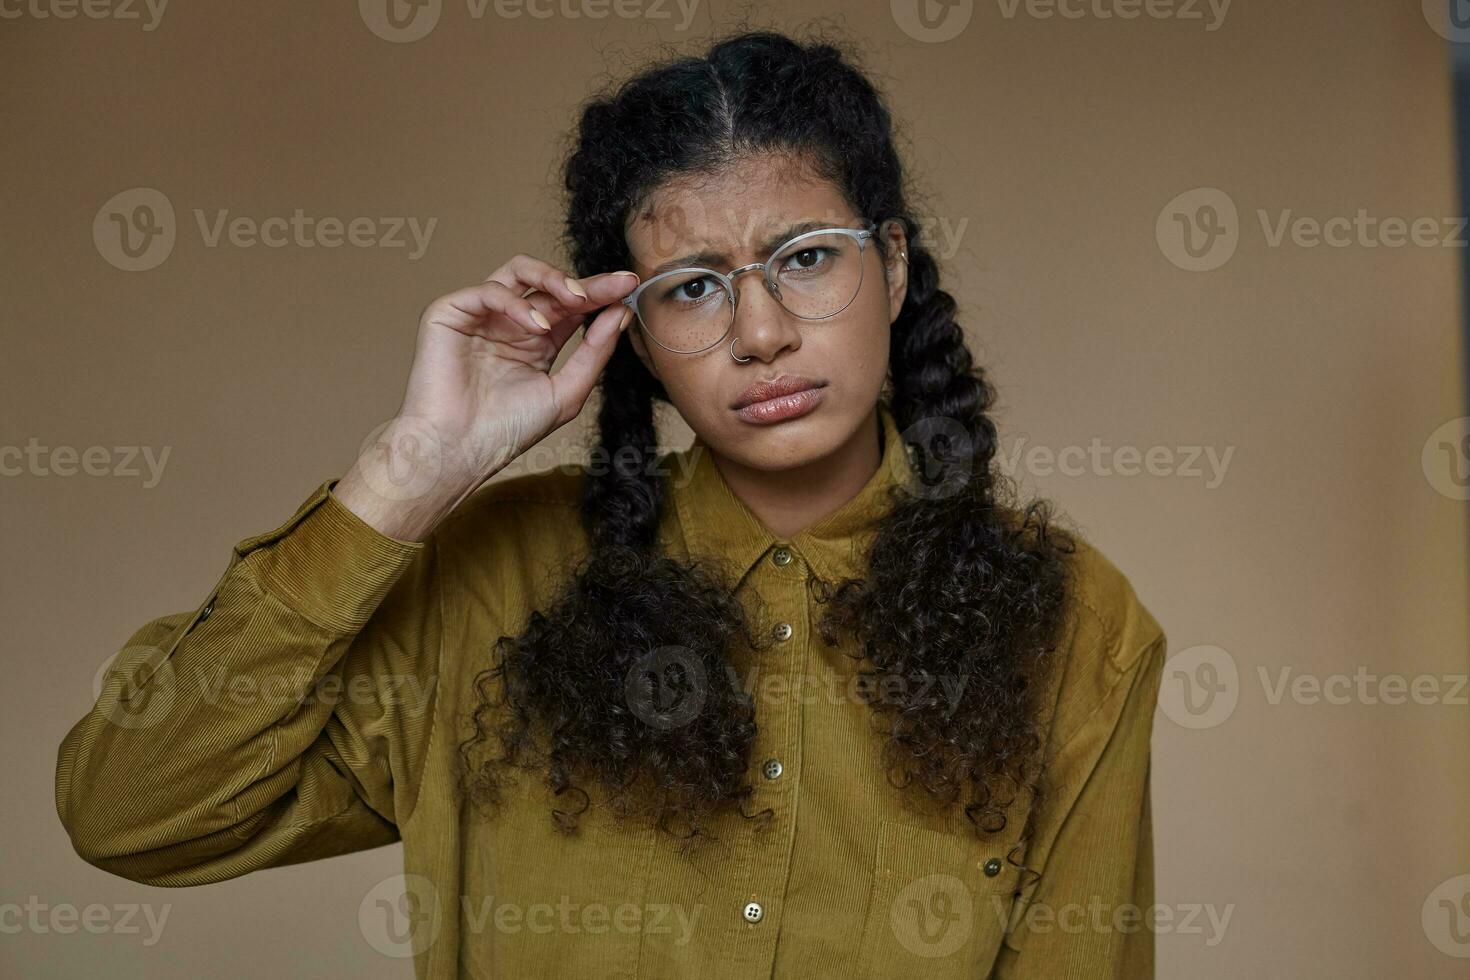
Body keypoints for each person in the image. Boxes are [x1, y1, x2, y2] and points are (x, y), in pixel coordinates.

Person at [55, 28, 1167, 980]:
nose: (763, 332)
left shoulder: (1078, 625)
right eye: (691, 287)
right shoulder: (487, 578)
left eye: (808, 258)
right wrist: (402, 475)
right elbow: (130, 810)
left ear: (894, 263)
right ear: (627, 330)